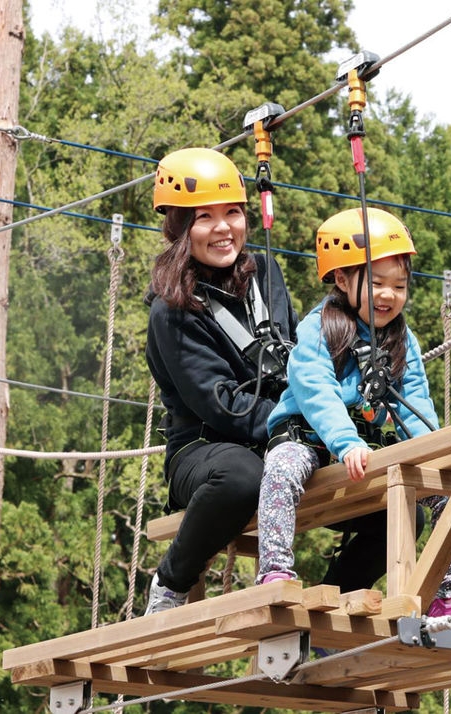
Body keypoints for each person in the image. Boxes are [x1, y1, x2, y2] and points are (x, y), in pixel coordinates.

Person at [254, 207, 451, 617]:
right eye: (379, 283)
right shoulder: (320, 329)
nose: (390, 295)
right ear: (341, 279)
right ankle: (276, 570)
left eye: (400, 286)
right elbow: (317, 388)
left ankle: (450, 590)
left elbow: (416, 399)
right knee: (281, 468)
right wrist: (344, 440)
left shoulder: (403, 340)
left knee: (445, 486)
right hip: (313, 438)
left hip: (367, 443)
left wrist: (433, 450)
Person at [144, 147, 298, 614]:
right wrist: (290, 420)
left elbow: (291, 353)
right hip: (205, 450)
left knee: (388, 485)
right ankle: (171, 583)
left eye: (232, 212)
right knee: (241, 477)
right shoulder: (172, 310)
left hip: (277, 431)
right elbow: (220, 403)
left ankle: (337, 592)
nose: (224, 228)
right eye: (205, 217)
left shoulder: (265, 274)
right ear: (179, 228)